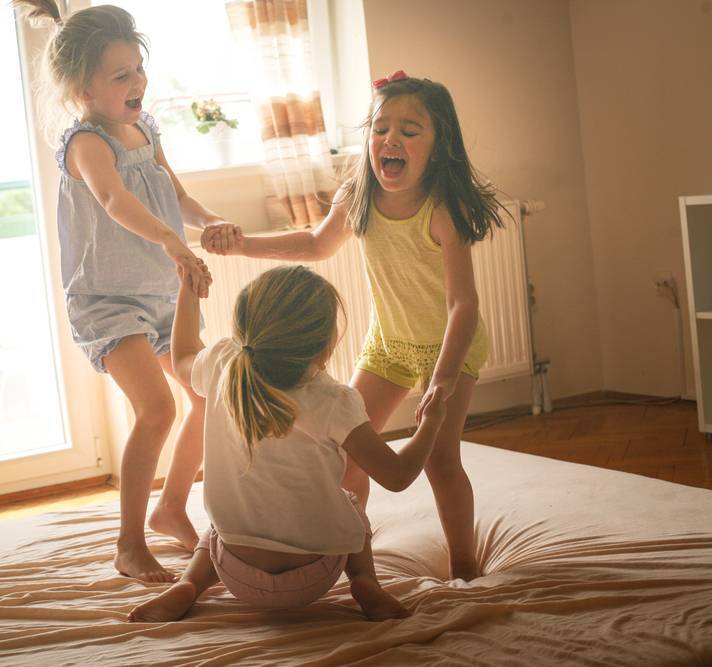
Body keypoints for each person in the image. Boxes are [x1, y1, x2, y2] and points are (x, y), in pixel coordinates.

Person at [203, 72, 505, 581]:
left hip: (449, 350)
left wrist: (445, 378)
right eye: (381, 127)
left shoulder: (442, 211)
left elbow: (463, 306)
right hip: (389, 344)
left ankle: (464, 565)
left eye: (410, 131)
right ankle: (349, 551)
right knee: (349, 451)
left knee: (440, 460)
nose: (391, 139)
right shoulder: (357, 195)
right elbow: (315, 245)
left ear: (439, 145)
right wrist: (241, 245)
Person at [14, 0, 235, 582]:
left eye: (138, 68)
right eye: (121, 75)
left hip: (160, 295)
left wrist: (209, 222)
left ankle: (170, 508)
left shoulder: (146, 129)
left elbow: (178, 196)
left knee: (208, 399)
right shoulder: (86, 143)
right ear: (84, 90)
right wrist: (172, 242)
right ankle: (129, 544)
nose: (138, 81)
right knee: (156, 409)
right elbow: (116, 201)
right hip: (108, 300)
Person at [128, 265, 446, 622]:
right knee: (351, 504)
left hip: (236, 571)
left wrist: (187, 290)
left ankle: (190, 584)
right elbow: (398, 476)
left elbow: (183, 353)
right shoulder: (334, 400)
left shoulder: (222, 364)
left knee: (218, 527)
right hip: (314, 574)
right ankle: (365, 581)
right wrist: (430, 425)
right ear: (325, 345)